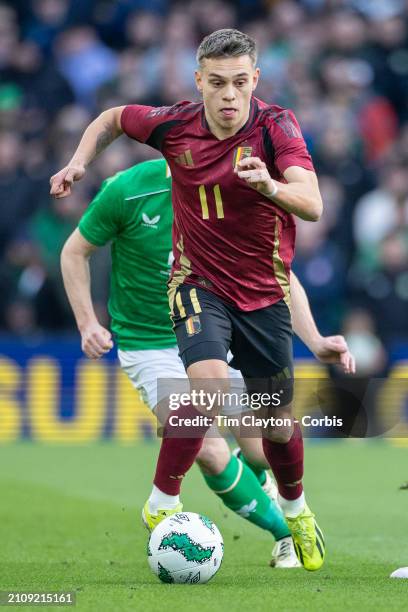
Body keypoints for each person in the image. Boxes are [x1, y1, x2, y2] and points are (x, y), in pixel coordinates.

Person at [51, 29, 353, 571]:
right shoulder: (168, 134)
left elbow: (311, 205)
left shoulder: (277, 127)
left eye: (240, 82)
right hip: (195, 291)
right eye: (217, 83)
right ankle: (164, 500)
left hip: (260, 297)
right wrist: (78, 160)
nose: (229, 95)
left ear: (255, 80)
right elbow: (115, 117)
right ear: (199, 83)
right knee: (208, 392)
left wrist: (270, 188)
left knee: (275, 428)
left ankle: (296, 509)